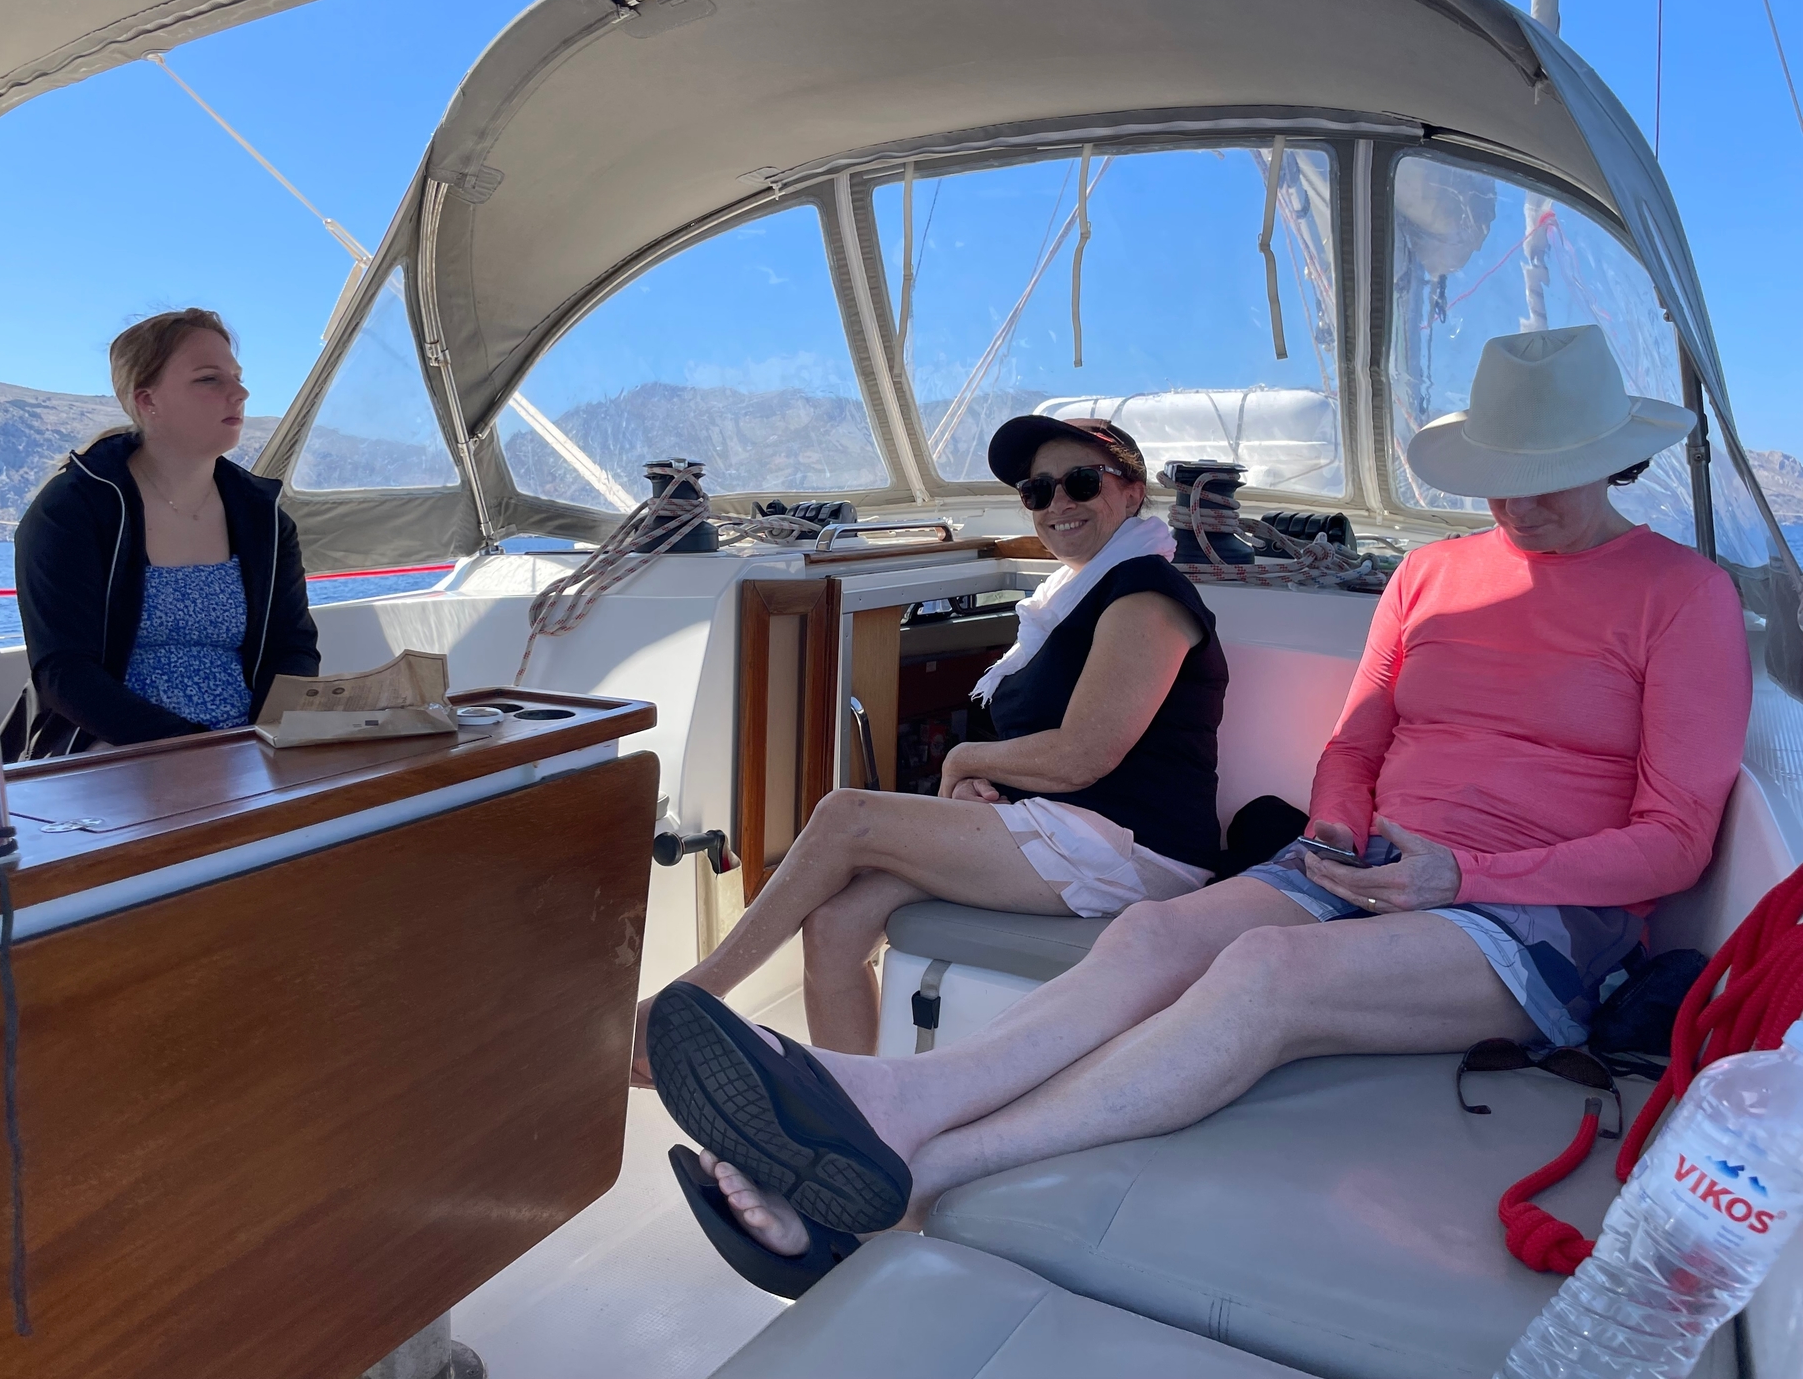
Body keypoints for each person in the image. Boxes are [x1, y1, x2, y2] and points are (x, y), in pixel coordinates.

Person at [645, 324, 1753, 1297]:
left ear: (1616, 460)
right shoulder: (1432, 574)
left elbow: (1675, 844)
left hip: (1532, 911)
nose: (1520, 502)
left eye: (1552, 476)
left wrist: (1460, 877)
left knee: (1264, 973)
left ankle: (908, 1180)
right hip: (1361, 864)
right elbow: (1357, 743)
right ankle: (890, 1100)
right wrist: (1338, 829)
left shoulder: (1684, 594)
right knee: (1151, 935)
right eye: (1502, 474)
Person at [633, 416, 1227, 1083]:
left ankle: (685, 1005)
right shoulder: (1068, 599)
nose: (1058, 502)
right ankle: (854, 1108)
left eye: (1082, 482)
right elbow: (1055, 752)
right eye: (1037, 490)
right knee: (836, 925)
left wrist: (965, 762)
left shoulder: (1145, 595)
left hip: (1136, 851)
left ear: (1132, 491)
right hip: (1064, 828)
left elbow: (1084, 756)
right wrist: (991, 785)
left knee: (847, 815)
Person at [16, 309, 319, 756]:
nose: (240, 393)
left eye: (237, 378)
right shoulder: (72, 510)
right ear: (147, 400)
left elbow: (291, 647)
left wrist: (263, 741)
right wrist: (191, 750)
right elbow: (64, 672)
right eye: (209, 379)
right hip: (113, 751)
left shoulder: (264, 518)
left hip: (245, 749)